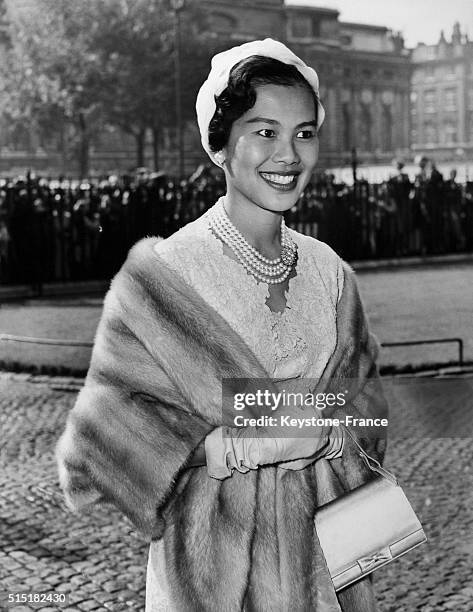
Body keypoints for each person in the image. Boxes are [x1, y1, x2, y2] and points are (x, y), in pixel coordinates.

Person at [56, 39, 388, 611]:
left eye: (304, 133)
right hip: (215, 583)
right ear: (220, 145)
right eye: (264, 131)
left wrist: (337, 428)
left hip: (328, 575)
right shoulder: (162, 275)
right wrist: (239, 445)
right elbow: (98, 444)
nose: (288, 154)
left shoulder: (330, 271)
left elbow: (371, 410)